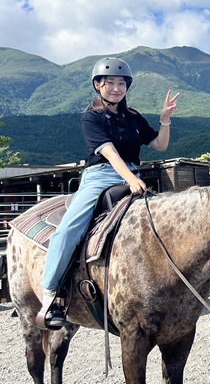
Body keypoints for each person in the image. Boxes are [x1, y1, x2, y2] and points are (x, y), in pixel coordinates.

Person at [36, 57, 180, 330]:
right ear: (97, 85)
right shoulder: (91, 118)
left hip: (133, 174)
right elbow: (109, 152)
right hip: (100, 176)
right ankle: (50, 295)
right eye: (110, 82)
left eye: (121, 83)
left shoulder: (134, 117)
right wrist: (130, 178)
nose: (116, 88)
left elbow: (160, 146)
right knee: (69, 229)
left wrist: (164, 121)